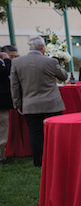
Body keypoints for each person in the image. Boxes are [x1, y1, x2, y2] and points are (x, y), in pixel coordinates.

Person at [10, 36, 67, 166]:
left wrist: (17, 104)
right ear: (43, 47)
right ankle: (56, 159)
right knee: (54, 134)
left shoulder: (17, 62)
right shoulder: (50, 62)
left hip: (30, 104)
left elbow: (14, 85)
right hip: (52, 105)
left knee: (35, 134)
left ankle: (39, 161)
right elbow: (64, 76)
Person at [0, 46, 16, 164]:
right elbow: (6, 71)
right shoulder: (4, 64)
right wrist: (6, 60)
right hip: (2, 101)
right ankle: (1, 156)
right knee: (3, 127)